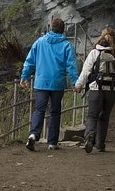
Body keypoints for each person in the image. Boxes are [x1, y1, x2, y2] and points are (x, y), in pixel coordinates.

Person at [20, 18, 79, 151]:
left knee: (39, 110)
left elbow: (30, 61)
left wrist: (24, 77)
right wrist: (75, 83)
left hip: (41, 82)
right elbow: (71, 66)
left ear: (51, 27)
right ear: (63, 29)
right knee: (55, 112)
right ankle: (52, 142)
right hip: (57, 83)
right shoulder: (66, 45)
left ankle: (33, 134)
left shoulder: (39, 42)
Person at [74, 27, 115, 153]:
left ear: (101, 37)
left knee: (92, 116)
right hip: (111, 90)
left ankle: (89, 138)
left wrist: (78, 85)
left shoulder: (94, 53)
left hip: (96, 88)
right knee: (104, 117)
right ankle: (100, 145)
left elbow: (86, 71)